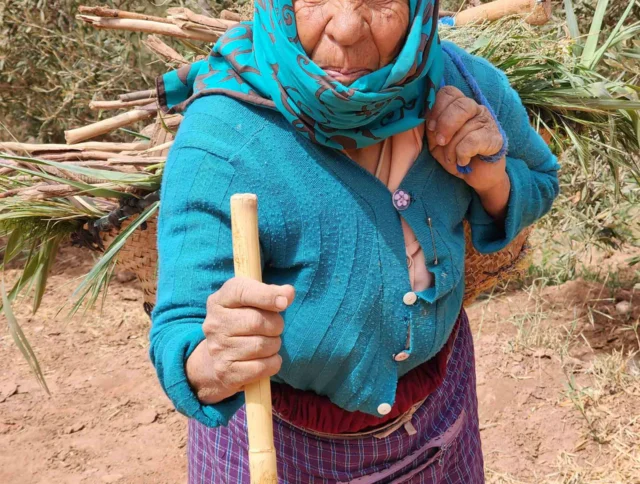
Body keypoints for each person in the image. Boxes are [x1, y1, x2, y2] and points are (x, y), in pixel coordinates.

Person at [150, 0, 559, 481]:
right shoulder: (222, 136)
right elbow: (179, 328)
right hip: (281, 445)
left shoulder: (462, 85)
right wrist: (211, 362)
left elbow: (540, 178)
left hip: (440, 414)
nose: (345, 28)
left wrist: (491, 178)